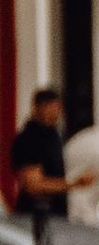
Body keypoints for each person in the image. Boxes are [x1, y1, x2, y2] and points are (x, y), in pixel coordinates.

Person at [9, 89, 68, 220]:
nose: (56, 113)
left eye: (58, 108)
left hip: (58, 212)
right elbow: (33, 185)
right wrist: (73, 184)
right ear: (39, 107)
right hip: (34, 214)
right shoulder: (27, 139)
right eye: (52, 108)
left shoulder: (54, 136)